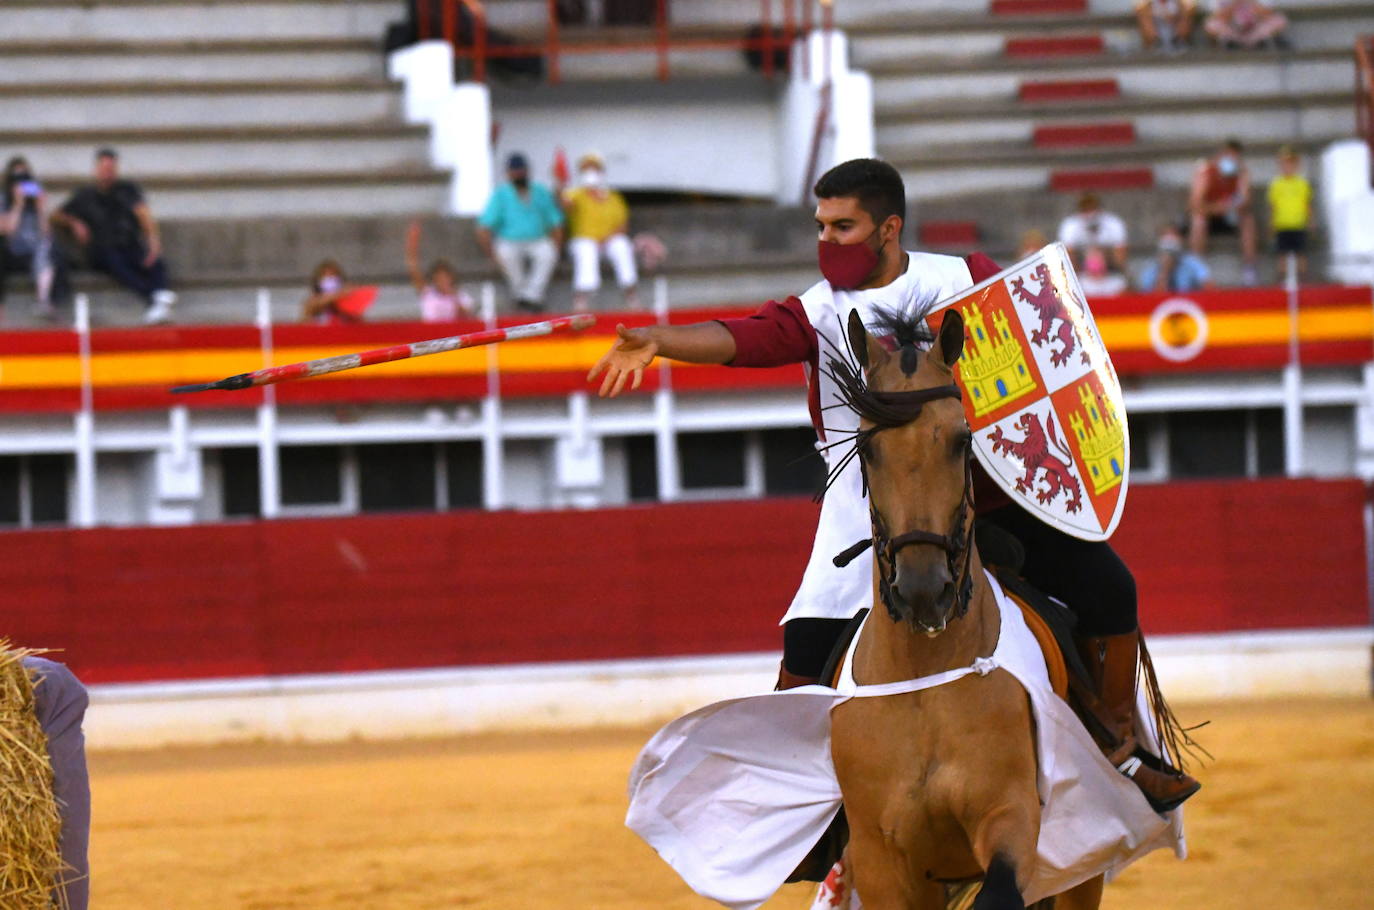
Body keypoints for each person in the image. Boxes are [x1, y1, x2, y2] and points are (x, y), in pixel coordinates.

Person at [588, 157, 1198, 811]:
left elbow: (1031, 354)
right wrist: (660, 340)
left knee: (1111, 588)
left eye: (842, 227)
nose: (826, 242)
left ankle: (1122, 747)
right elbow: (745, 339)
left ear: (888, 227)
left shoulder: (965, 279)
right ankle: (808, 808)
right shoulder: (817, 312)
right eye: (820, 227)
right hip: (867, 501)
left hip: (985, 485)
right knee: (806, 651)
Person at [50, 148, 176, 324]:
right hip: (102, 251)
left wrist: (153, 241)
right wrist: (74, 223)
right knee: (116, 263)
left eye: (111, 169)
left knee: (156, 261)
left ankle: (159, 300)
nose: (107, 173)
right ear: (96, 169)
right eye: (104, 168)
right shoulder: (85, 195)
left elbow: (143, 213)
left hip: (129, 244)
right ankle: (154, 297)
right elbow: (55, 215)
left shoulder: (127, 190)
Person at [476, 152, 564, 313]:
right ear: (509, 173)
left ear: (527, 171)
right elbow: (484, 227)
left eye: (521, 170)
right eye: (515, 170)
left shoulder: (540, 192)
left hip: (537, 239)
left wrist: (557, 247)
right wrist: (490, 254)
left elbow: (556, 222)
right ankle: (524, 297)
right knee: (505, 253)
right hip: (509, 241)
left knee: (548, 253)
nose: (519, 173)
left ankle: (531, 297)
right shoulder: (501, 195)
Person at [561, 152, 640, 312]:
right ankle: (581, 300)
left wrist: (606, 239)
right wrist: (559, 185)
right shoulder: (574, 194)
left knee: (622, 245)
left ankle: (631, 296)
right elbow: (565, 205)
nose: (590, 173)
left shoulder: (613, 197)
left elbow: (623, 225)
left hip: (608, 242)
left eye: (594, 168)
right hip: (582, 242)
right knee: (587, 248)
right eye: (586, 169)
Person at [1, 156, 69, 321]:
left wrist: (40, 209)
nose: (22, 185)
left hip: (35, 252)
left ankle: (44, 300)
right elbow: (6, 230)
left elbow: (46, 233)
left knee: (48, 247)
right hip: (11, 251)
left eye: (25, 179)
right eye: (17, 180)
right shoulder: (3, 199)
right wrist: (18, 205)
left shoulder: (36, 200)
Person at [1188, 138, 1258, 285]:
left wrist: (1231, 206)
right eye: (1228, 155)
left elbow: (1246, 202)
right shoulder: (1205, 172)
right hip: (1209, 216)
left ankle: (1249, 269)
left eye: (1235, 156)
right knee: (1198, 221)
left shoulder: (1241, 173)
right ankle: (1198, 271)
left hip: (1230, 216)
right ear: (1220, 155)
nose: (1231, 159)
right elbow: (1194, 203)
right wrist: (1215, 208)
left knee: (1248, 220)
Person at [406, 220, 474, 321]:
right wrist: (412, 243)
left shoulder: (461, 296)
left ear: (451, 278)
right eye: (439, 278)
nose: (442, 281)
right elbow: (413, 268)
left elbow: (468, 319)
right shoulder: (428, 293)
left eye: (445, 277)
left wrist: (453, 296)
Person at [1267, 145, 1312, 285]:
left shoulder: (1302, 184)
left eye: (1291, 163)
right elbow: (1272, 206)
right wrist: (1272, 223)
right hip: (1282, 224)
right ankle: (1282, 279)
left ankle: (1303, 279)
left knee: (1301, 253)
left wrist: (1310, 220)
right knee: (1282, 254)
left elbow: (1307, 204)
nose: (1288, 167)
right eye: (1285, 163)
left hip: (1298, 223)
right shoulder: (1276, 184)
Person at [1057, 192, 1129, 274]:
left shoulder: (1113, 223)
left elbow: (1121, 251)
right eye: (1085, 208)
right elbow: (1067, 253)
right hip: (1081, 268)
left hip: (1109, 267)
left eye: (1092, 207)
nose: (1089, 212)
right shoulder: (1070, 225)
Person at [1138, 224, 1213, 292]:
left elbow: (1209, 287)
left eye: (1172, 236)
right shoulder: (1151, 269)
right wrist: (1164, 274)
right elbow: (1147, 298)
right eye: (1166, 236)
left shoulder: (1192, 262)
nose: (1169, 240)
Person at [1205, 0, 1290, 49]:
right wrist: (1236, 3)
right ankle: (1236, 42)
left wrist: (1251, 2)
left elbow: (1268, 15)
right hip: (1233, 29)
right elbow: (1220, 17)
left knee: (1280, 20)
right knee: (1211, 24)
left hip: (1256, 29)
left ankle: (1254, 41)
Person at [301, 259, 364, 324]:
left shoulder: (348, 304)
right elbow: (314, 305)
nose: (330, 278)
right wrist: (340, 294)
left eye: (333, 275)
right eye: (325, 275)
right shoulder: (312, 301)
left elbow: (360, 322)